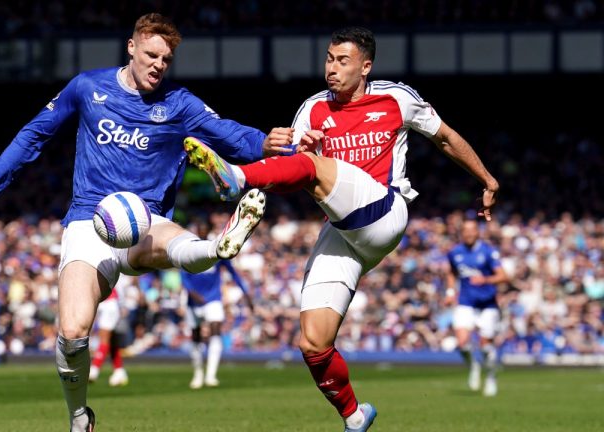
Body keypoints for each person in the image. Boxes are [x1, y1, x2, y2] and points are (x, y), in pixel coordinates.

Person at [0, 13, 292, 432]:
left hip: (146, 219)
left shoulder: (180, 103)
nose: (158, 64)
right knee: (73, 331)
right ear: (131, 47)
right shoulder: (87, 87)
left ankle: (217, 247)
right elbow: (35, 133)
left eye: (166, 59)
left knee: (177, 241)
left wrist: (264, 142)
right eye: (151, 54)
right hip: (88, 222)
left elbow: (225, 131)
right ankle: (80, 415)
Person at [184, 26, 500, 432]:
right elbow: (294, 162)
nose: (331, 68)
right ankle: (354, 416)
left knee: (311, 168)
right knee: (313, 343)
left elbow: (445, 138)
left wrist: (488, 181)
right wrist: (293, 143)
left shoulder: (396, 98)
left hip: (386, 213)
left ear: (365, 66)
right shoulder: (313, 108)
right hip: (344, 230)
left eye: (342, 61)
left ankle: (237, 178)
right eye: (329, 59)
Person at [181, 224, 254, 389]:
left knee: (215, 330)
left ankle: (211, 375)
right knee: (196, 336)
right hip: (194, 302)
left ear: (207, 230)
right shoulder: (189, 251)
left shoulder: (216, 251)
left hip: (213, 299)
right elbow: (183, 278)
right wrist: (193, 294)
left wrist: (246, 293)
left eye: (203, 229)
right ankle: (198, 373)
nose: (201, 231)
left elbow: (233, 273)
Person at [445, 219, 508, 397]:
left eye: (472, 230)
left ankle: (490, 377)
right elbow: (451, 272)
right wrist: (450, 292)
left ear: (478, 232)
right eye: (466, 230)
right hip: (465, 302)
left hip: (488, 305)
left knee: (485, 347)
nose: (469, 233)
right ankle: (474, 366)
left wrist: (485, 280)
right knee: (462, 343)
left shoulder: (488, 252)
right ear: (461, 233)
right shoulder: (455, 252)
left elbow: (504, 276)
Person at [88, 287, 128, 387]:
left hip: (108, 303)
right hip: (107, 303)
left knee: (104, 338)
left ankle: (94, 370)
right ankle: (119, 371)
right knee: (112, 340)